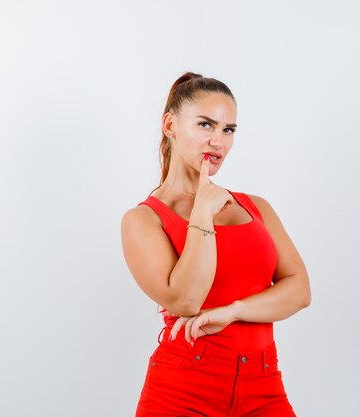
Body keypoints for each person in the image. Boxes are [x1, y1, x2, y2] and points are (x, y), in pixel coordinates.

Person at [120, 72, 311, 417]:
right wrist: (202, 214)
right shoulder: (144, 220)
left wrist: (235, 311)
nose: (218, 141)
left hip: (263, 384)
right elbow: (187, 299)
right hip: (183, 389)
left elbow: (299, 291)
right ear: (170, 125)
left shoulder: (256, 207)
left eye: (228, 130)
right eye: (206, 125)